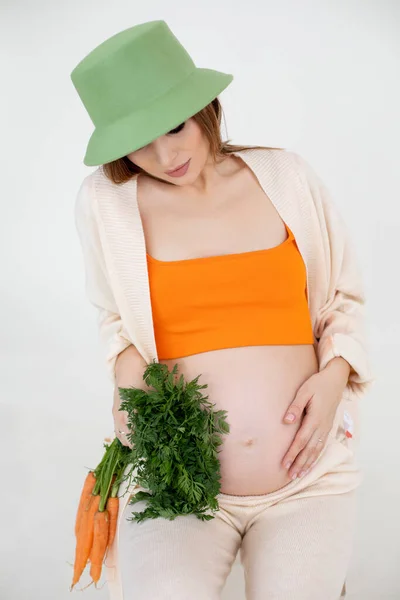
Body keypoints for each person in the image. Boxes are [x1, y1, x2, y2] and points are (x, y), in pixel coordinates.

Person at [71, 19, 374, 600]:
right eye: (138, 140)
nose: (164, 154)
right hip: (177, 485)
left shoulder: (287, 176)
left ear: (204, 105)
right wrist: (129, 376)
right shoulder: (105, 204)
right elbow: (115, 322)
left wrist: (335, 377)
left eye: (174, 126)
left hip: (305, 481)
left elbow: (343, 300)